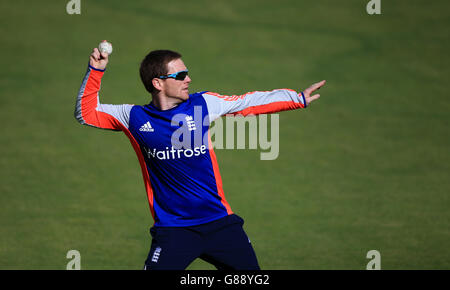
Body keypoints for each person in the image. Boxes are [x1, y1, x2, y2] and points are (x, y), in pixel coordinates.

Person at [74, 40, 326, 270]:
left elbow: (247, 102)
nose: (188, 79)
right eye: (181, 75)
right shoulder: (134, 118)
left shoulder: (203, 104)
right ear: (158, 83)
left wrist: (297, 98)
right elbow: (86, 113)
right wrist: (96, 71)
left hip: (221, 225)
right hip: (174, 231)